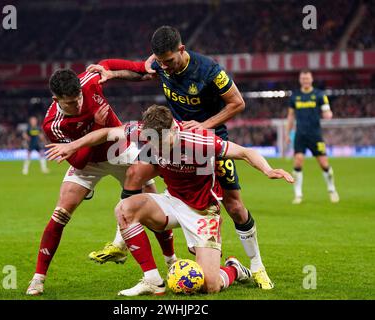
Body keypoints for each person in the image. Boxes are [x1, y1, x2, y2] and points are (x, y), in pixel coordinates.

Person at [87, 25, 275, 289]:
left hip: (207, 141)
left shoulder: (210, 71)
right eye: (161, 63)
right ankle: (122, 241)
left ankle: (255, 266)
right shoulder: (162, 64)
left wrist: (205, 125)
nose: (166, 67)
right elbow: (141, 73)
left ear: (182, 50)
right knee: (134, 172)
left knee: (234, 206)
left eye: (170, 61)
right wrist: (112, 73)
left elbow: (238, 103)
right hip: (169, 139)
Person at [45, 105, 294, 296]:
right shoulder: (143, 132)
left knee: (210, 286)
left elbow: (244, 152)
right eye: (154, 143)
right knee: (124, 209)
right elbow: (107, 133)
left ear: (174, 129)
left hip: (202, 211)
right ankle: (153, 280)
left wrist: (268, 170)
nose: (159, 150)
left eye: (163, 143)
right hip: (171, 201)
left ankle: (235, 269)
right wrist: (72, 146)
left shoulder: (199, 140)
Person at [26, 68, 175, 296]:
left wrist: (141, 68)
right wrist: (97, 125)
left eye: (78, 100)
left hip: (120, 151)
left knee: (150, 206)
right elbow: (77, 160)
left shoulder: (87, 82)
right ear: (56, 100)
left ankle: (171, 262)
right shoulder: (51, 125)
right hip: (86, 163)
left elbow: (107, 65)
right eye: (69, 104)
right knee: (60, 213)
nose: (76, 106)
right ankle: (38, 278)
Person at [285, 69, 340, 204]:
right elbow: (291, 116)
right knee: (297, 162)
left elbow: (327, 110)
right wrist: (287, 133)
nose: (305, 80)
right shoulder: (295, 96)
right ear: (300, 80)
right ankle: (298, 194)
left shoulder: (319, 95)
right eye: (303, 78)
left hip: (315, 135)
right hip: (300, 135)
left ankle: (332, 189)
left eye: (307, 78)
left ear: (311, 79)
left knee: (324, 164)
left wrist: (328, 114)